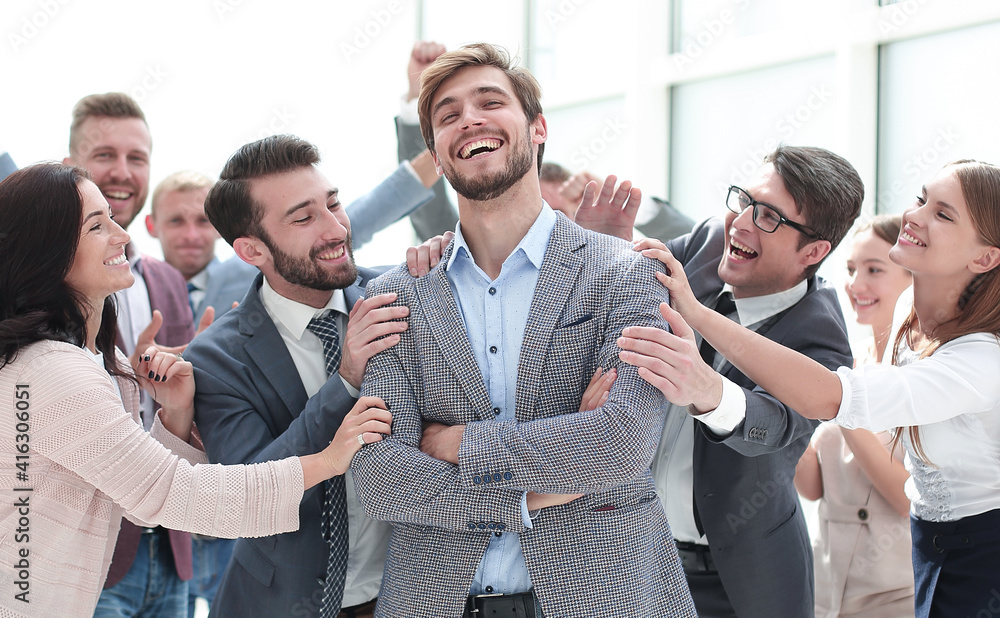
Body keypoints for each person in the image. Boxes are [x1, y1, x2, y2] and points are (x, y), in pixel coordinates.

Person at [351, 43, 696, 618]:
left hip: (608, 597)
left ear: (537, 128)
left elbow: (623, 447)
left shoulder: (627, 273)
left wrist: (458, 444)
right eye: (448, 114)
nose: (470, 119)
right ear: (435, 155)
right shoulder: (395, 296)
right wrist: (542, 485)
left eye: (491, 101)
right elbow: (383, 482)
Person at [0, 163, 390, 617]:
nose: (122, 235)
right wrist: (326, 460)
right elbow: (178, 496)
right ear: (49, 252)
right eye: (96, 225)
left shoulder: (99, 363)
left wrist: (175, 414)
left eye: (112, 217)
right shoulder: (52, 373)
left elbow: (143, 505)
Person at [623, 158, 1000, 617]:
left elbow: (830, 397)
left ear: (984, 257)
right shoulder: (909, 312)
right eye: (921, 199)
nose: (914, 215)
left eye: (943, 214)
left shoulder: (983, 360)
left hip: (980, 551)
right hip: (928, 545)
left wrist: (697, 318)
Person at [617, 145, 863, 617]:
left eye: (769, 216)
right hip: (633, 562)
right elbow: (615, 301)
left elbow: (773, 428)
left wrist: (706, 391)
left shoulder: (821, 338)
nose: (742, 222)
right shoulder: (709, 245)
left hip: (738, 584)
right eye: (744, 200)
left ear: (813, 252)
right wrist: (604, 239)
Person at [182, 134, 417, 618]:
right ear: (252, 251)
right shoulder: (217, 357)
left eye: (334, 204)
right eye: (304, 217)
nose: (335, 229)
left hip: (411, 597)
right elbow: (248, 495)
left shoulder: (404, 296)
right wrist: (346, 381)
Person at [62, 92, 199, 616]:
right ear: (71, 165)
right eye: (105, 156)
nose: (122, 172)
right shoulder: (37, 280)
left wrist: (178, 400)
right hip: (87, 552)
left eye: (136, 158)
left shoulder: (164, 279)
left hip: (170, 547)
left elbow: (188, 416)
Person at [796, 215, 914, 617]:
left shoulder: (926, 375)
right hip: (826, 590)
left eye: (874, 269)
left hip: (895, 595)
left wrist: (840, 403)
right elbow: (812, 488)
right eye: (850, 270)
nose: (855, 284)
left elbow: (906, 498)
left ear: (914, 279)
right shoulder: (845, 364)